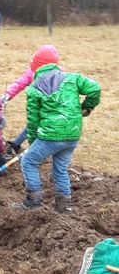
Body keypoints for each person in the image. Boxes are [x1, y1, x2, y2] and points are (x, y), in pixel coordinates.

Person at [14, 45, 101, 213]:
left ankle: (34, 201)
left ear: (36, 67)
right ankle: (64, 205)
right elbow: (95, 88)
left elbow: (33, 121)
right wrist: (86, 108)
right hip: (72, 135)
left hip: (50, 136)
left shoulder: (34, 88)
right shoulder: (72, 78)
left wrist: (32, 142)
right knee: (60, 169)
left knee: (28, 161)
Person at [1, 46, 60, 155]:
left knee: (40, 127)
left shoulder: (58, 77)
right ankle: (16, 145)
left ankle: (39, 149)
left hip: (52, 109)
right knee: (33, 124)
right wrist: (7, 94)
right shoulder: (32, 72)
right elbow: (20, 83)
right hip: (37, 105)